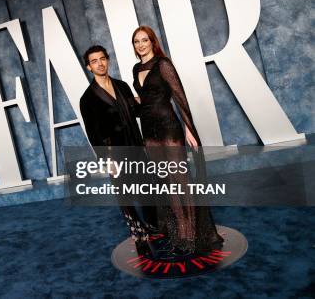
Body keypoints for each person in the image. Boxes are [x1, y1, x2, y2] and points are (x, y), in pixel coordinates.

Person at [131, 26, 224, 257]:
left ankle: (191, 237)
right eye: (136, 41)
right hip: (149, 132)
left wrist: (189, 128)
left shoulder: (163, 64)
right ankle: (181, 235)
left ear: (153, 42)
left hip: (169, 128)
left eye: (145, 40)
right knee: (167, 184)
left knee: (181, 181)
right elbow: (145, 102)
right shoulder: (136, 69)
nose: (141, 44)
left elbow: (179, 95)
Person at [79, 45, 157, 257]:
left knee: (147, 188)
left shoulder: (122, 86)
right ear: (89, 67)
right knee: (126, 197)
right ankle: (139, 236)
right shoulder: (87, 99)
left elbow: (137, 110)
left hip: (136, 145)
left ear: (108, 60)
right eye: (94, 61)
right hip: (115, 152)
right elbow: (93, 134)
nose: (100, 63)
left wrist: (153, 95)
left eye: (102, 59)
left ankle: (154, 226)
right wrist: (106, 159)